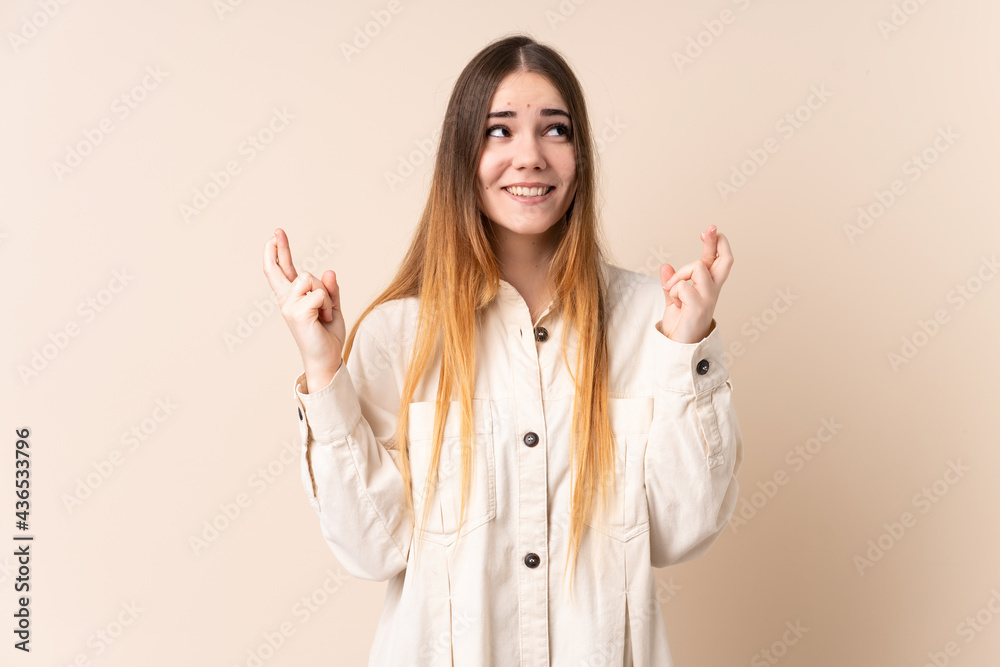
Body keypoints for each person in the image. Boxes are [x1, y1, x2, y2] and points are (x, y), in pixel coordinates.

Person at [262, 33, 742, 667]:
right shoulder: (397, 334)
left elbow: (681, 532)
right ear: (463, 155)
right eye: (499, 131)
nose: (530, 156)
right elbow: (371, 549)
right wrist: (325, 372)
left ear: (581, 155)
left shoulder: (653, 320)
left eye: (555, 130)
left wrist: (686, 351)